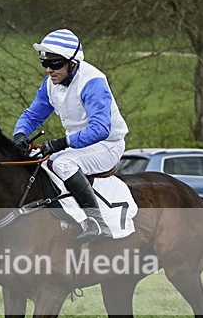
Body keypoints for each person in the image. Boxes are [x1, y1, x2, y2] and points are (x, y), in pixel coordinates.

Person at [12, 29, 129, 242]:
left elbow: (101, 128)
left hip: (108, 145)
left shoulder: (92, 81)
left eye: (55, 64)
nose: (49, 70)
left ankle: (97, 222)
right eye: (45, 63)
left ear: (73, 63)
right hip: (80, 146)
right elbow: (33, 115)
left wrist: (61, 143)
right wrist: (20, 133)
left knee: (63, 164)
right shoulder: (50, 83)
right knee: (36, 161)